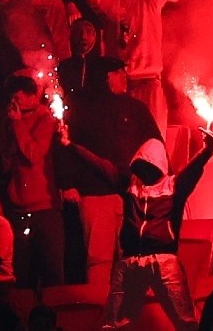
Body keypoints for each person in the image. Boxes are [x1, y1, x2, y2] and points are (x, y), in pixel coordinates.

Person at [60, 126, 213, 330]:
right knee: (113, 324)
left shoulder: (174, 187)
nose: (146, 172)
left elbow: (194, 168)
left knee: (186, 321)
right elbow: (98, 165)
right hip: (131, 262)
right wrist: (69, 145)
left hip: (164, 260)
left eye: (149, 167)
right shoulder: (130, 186)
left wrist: (207, 150)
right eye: (142, 167)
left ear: (159, 164)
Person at [88, 0, 204, 132]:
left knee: (154, 138)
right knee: (125, 142)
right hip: (123, 84)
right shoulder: (115, 2)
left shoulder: (150, 0)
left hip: (149, 82)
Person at [56, 57, 163, 284]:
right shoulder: (82, 110)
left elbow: (154, 143)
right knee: (99, 258)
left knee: (131, 257)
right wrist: (67, 184)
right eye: (119, 72)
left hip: (131, 195)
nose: (125, 77)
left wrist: (157, 179)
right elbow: (65, 147)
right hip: (96, 195)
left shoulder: (135, 108)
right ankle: (98, 309)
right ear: (106, 77)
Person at [0, 74, 65, 288]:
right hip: (18, 207)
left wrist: (17, 125)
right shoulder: (9, 121)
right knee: (21, 272)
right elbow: (4, 159)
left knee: (52, 270)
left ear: (31, 96)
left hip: (44, 206)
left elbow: (34, 154)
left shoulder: (45, 119)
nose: (13, 103)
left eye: (17, 97)